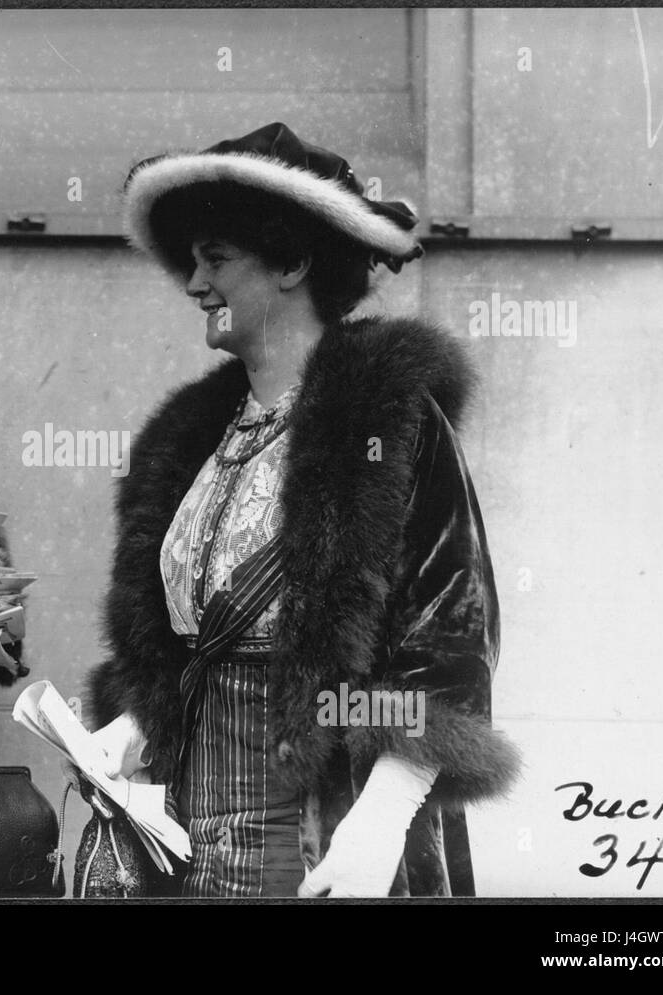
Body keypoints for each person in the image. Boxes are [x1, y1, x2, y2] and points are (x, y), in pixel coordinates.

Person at [84, 124, 520, 897]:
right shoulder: (188, 446)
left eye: (215, 258)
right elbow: (174, 646)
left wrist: (383, 815)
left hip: (327, 833)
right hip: (184, 841)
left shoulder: (389, 421)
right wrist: (133, 723)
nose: (193, 284)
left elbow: (451, 636)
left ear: (293, 261)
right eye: (191, 262)